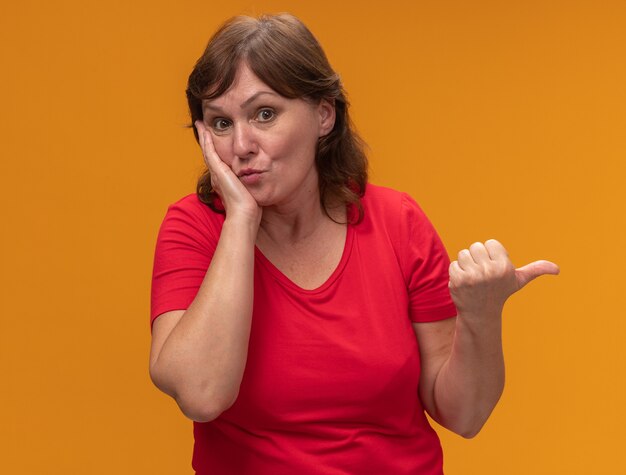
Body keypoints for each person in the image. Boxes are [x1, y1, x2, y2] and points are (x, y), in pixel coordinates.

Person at [148, 13, 559, 475]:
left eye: (265, 114)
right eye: (220, 124)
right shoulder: (193, 228)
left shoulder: (398, 223)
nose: (241, 145)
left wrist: (482, 316)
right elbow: (202, 394)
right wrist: (241, 218)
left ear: (324, 115)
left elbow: (464, 415)